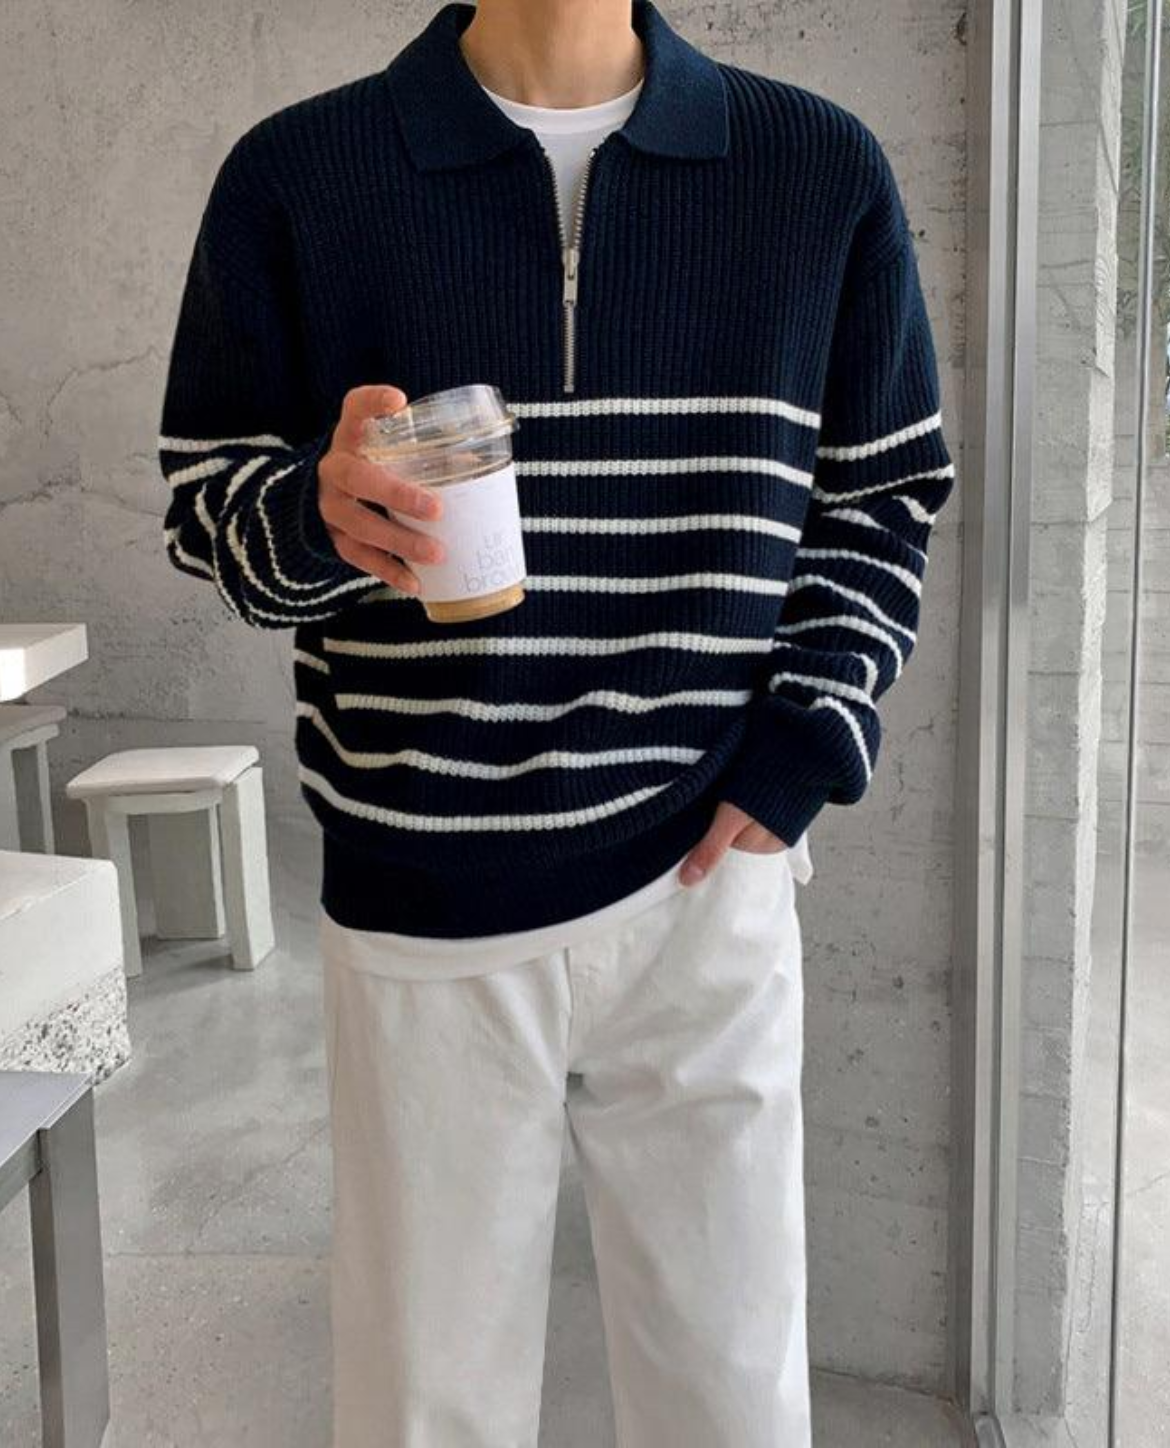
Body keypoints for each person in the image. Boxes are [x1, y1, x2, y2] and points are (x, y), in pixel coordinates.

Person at [157, 1, 956, 1443]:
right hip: (422, 897)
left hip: (711, 883)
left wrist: (803, 745)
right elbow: (206, 506)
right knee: (425, 1404)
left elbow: (882, 491)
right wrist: (318, 516)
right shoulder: (301, 173)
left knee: (730, 1396)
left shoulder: (815, 167)